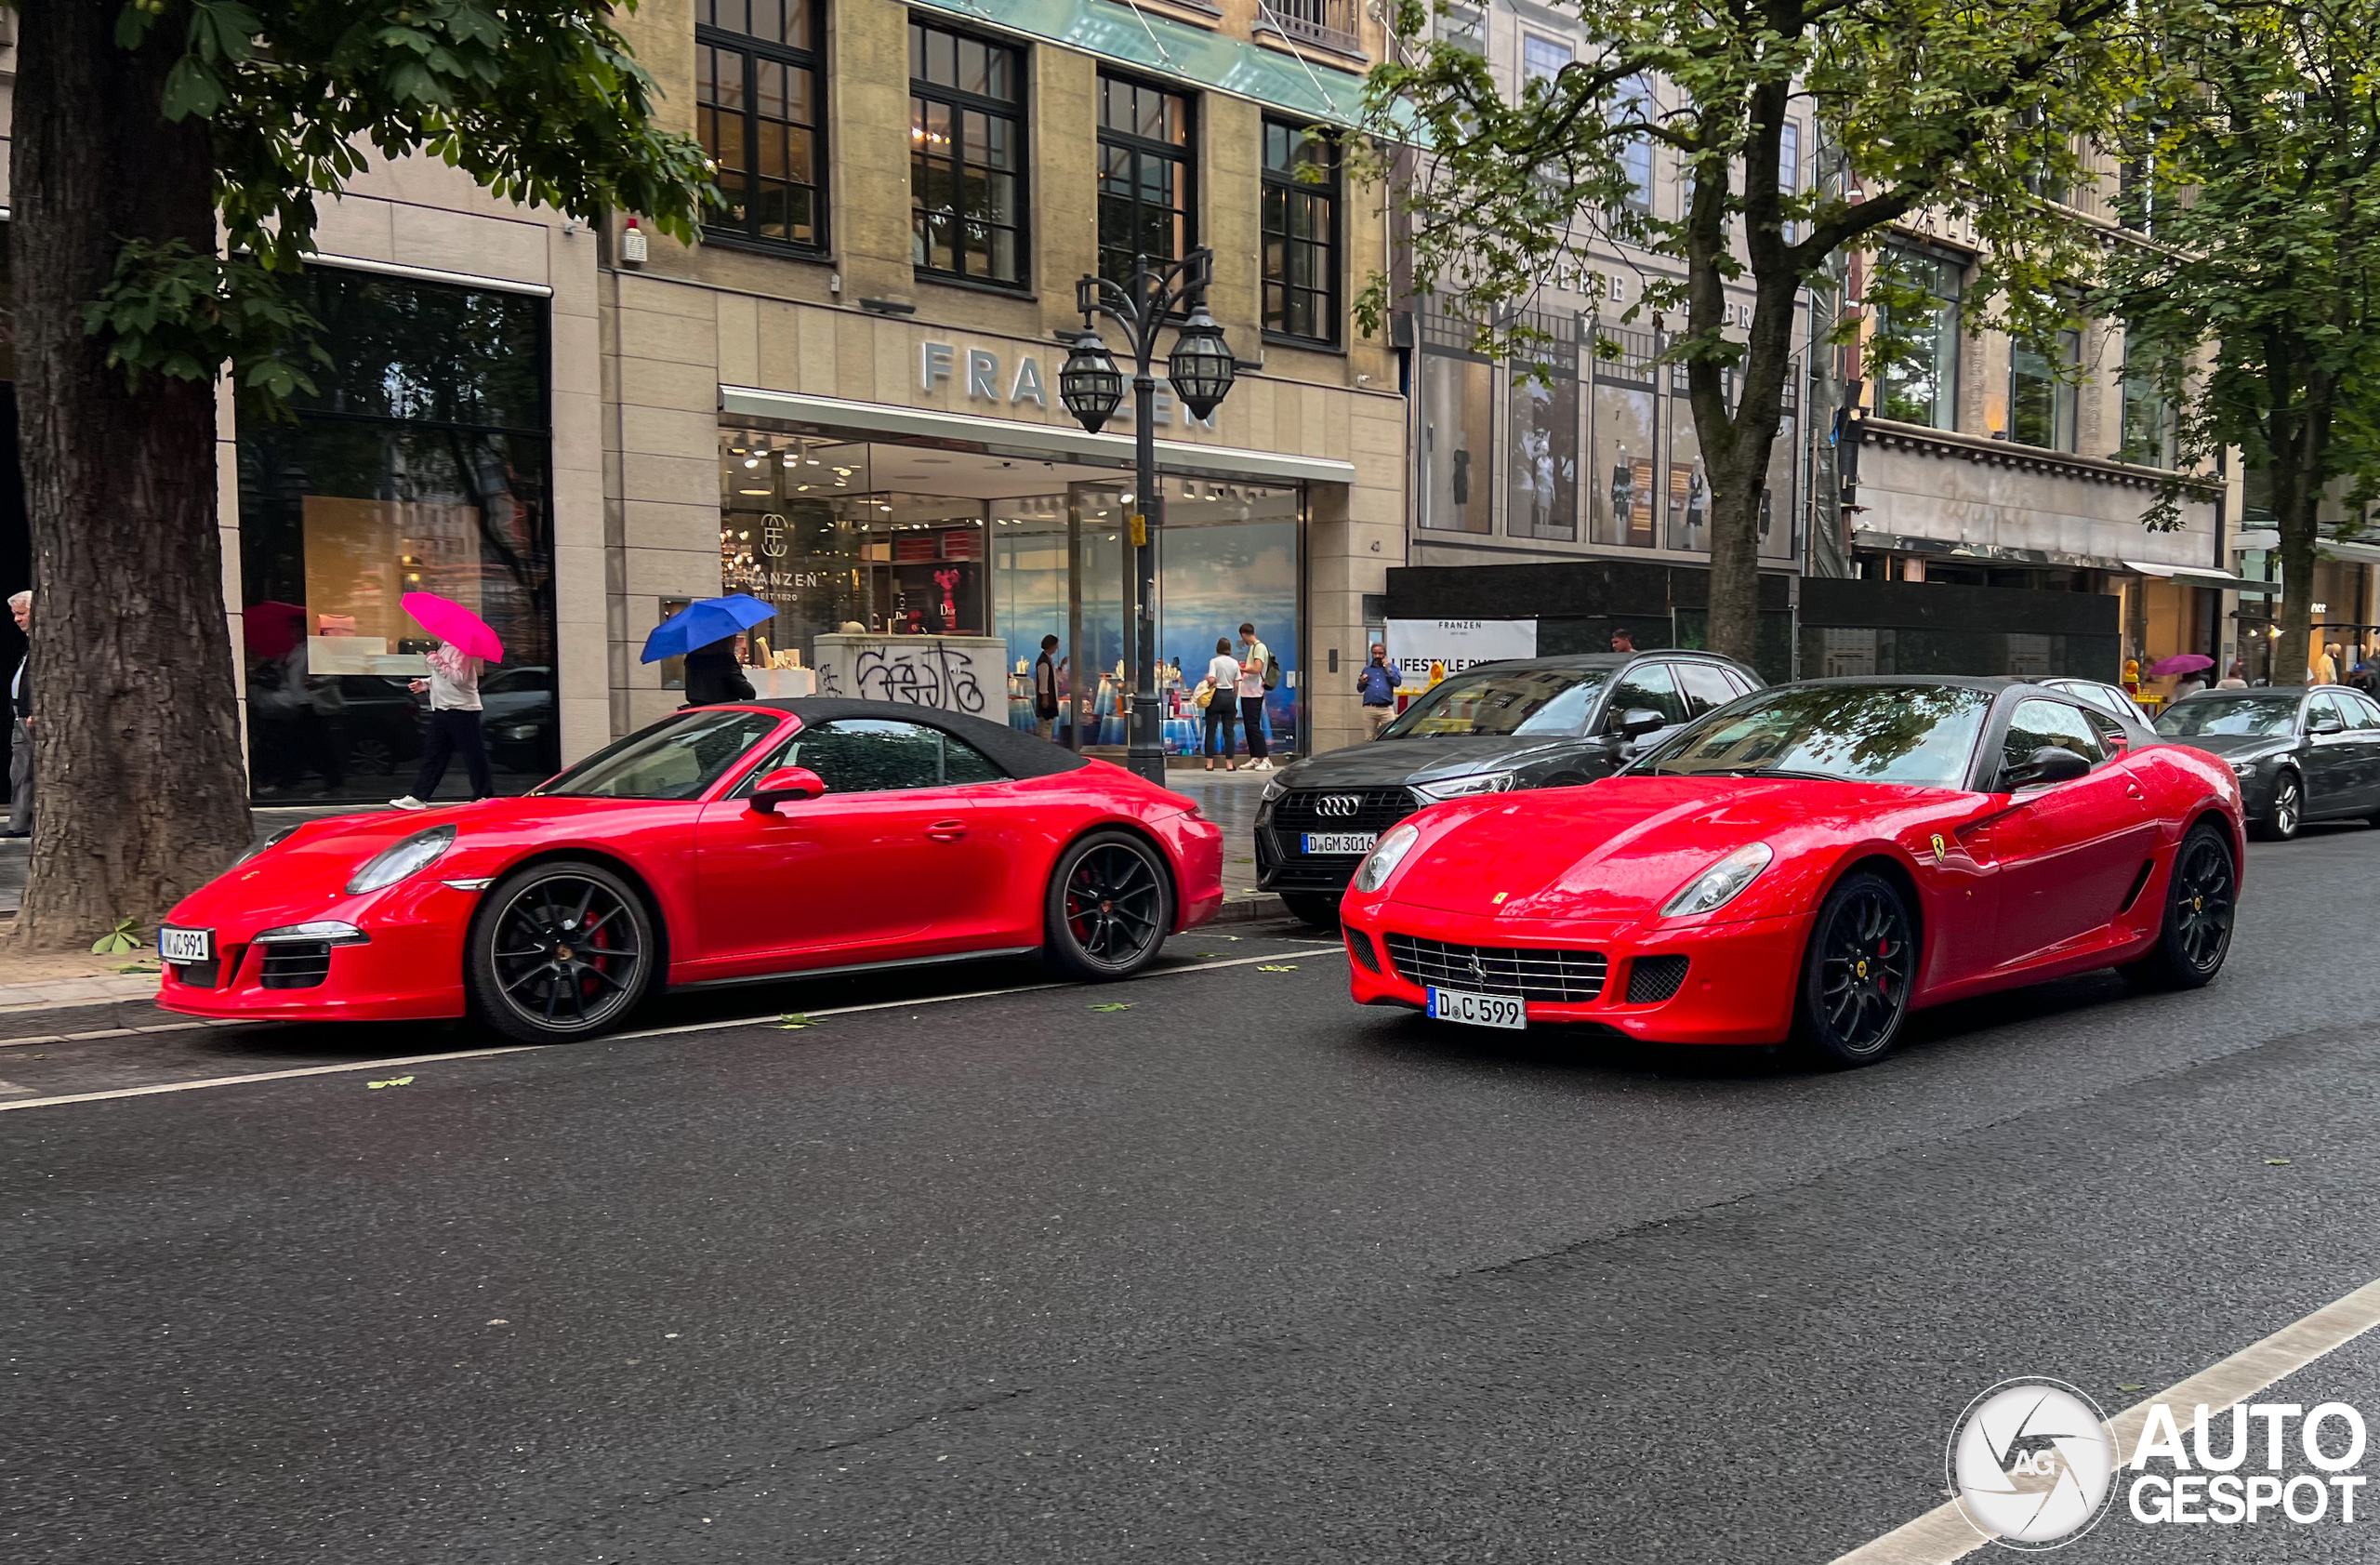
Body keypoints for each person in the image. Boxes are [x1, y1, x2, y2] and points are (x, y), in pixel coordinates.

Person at [390, 641, 492, 808]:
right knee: (434, 754)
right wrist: (426, 684)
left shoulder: (461, 650)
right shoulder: (445, 647)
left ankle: (484, 795)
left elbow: (458, 678)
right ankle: (418, 796)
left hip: (462, 710)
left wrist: (436, 661)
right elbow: (443, 677)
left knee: (473, 755)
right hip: (443, 708)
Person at [6, 590, 29, 839]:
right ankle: (19, 823)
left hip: (31, 717)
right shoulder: (29, 644)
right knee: (20, 772)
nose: (16, 619)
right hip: (19, 716)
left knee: (28, 771)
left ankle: (24, 823)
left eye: (21, 613)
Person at [1236, 621, 1274, 771]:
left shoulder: (1259, 648)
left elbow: (1257, 668)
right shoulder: (1253, 648)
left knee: (1254, 726)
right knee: (1249, 726)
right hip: (1247, 691)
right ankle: (1256, 757)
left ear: (1244, 635)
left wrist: (1242, 668)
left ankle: (1266, 758)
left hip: (1254, 692)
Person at [682, 632, 756, 706]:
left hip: (698, 712)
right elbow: (747, 693)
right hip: (722, 712)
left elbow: (690, 694)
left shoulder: (692, 659)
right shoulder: (725, 660)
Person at [1201, 637, 1239, 771]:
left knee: (1211, 730)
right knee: (1229, 732)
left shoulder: (1214, 662)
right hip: (1229, 696)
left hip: (1216, 696)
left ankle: (1210, 764)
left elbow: (1212, 679)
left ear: (1218, 648)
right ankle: (1229, 764)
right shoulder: (1235, 663)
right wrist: (1234, 700)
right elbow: (1236, 684)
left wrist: (1207, 677)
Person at [1356, 642, 1397, 738]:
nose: (1377, 656)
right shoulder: (1367, 670)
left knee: (1390, 736)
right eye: (1375, 653)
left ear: (1385, 654)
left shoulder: (1392, 668)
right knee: (1369, 738)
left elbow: (1397, 682)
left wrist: (1388, 669)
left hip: (1386, 708)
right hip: (1370, 709)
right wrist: (1362, 682)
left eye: (1380, 653)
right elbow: (1359, 689)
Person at [1033, 634, 1061, 741]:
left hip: (1049, 697)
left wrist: (1061, 667)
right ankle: (1044, 744)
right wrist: (1045, 697)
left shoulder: (1048, 660)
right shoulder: (1043, 662)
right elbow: (1043, 681)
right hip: (1047, 698)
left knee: (1047, 724)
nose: (1057, 647)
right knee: (1045, 724)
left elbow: (1052, 677)